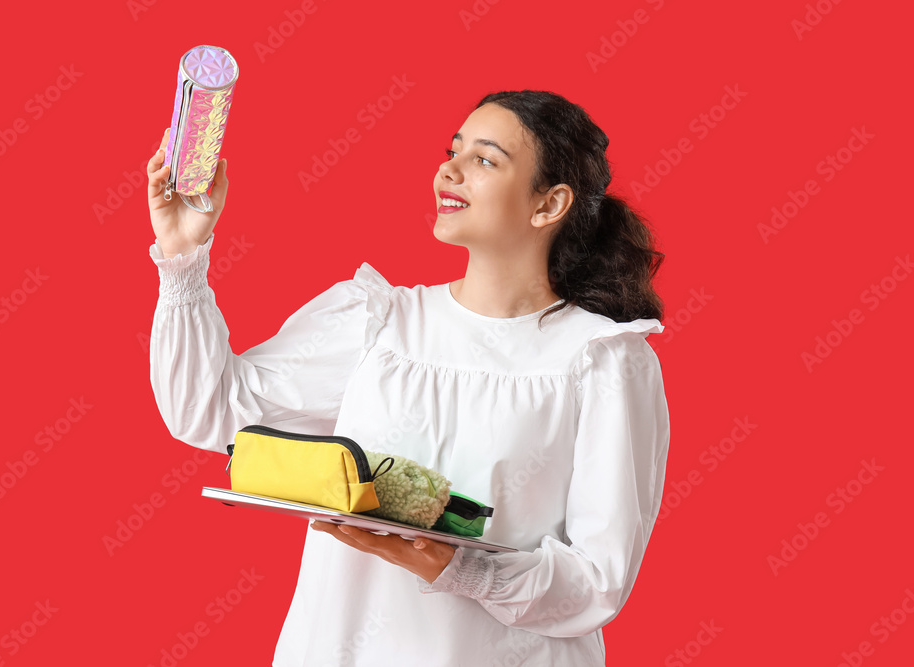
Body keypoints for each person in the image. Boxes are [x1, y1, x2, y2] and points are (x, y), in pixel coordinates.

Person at [146, 89, 669, 666]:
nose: (449, 169)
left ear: (548, 205)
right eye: (453, 150)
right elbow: (210, 409)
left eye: (485, 160)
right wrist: (183, 259)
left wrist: (458, 567)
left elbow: (599, 580)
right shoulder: (377, 324)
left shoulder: (601, 358)